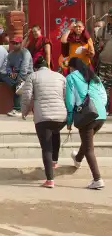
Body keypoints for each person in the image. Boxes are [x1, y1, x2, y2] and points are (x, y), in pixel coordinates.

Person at [20, 56, 66, 188]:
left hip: (43, 116)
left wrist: (24, 111)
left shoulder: (33, 76)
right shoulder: (60, 76)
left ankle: (50, 180)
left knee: (46, 147)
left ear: (36, 67)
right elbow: (65, 95)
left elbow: (27, 96)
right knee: (55, 133)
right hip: (61, 115)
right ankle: (55, 162)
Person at [66, 57, 108, 189]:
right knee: (87, 141)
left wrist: (69, 119)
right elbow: (104, 96)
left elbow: (69, 100)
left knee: (89, 148)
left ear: (72, 67)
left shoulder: (71, 77)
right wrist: (99, 108)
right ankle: (78, 159)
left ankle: (97, 179)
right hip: (100, 114)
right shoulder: (94, 76)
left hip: (86, 115)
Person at [96, 14, 112, 114]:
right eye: (111, 16)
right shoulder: (102, 30)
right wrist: (99, 46)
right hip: (104, 63)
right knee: (104, 87)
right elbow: (96, 46)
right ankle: (104, 110)